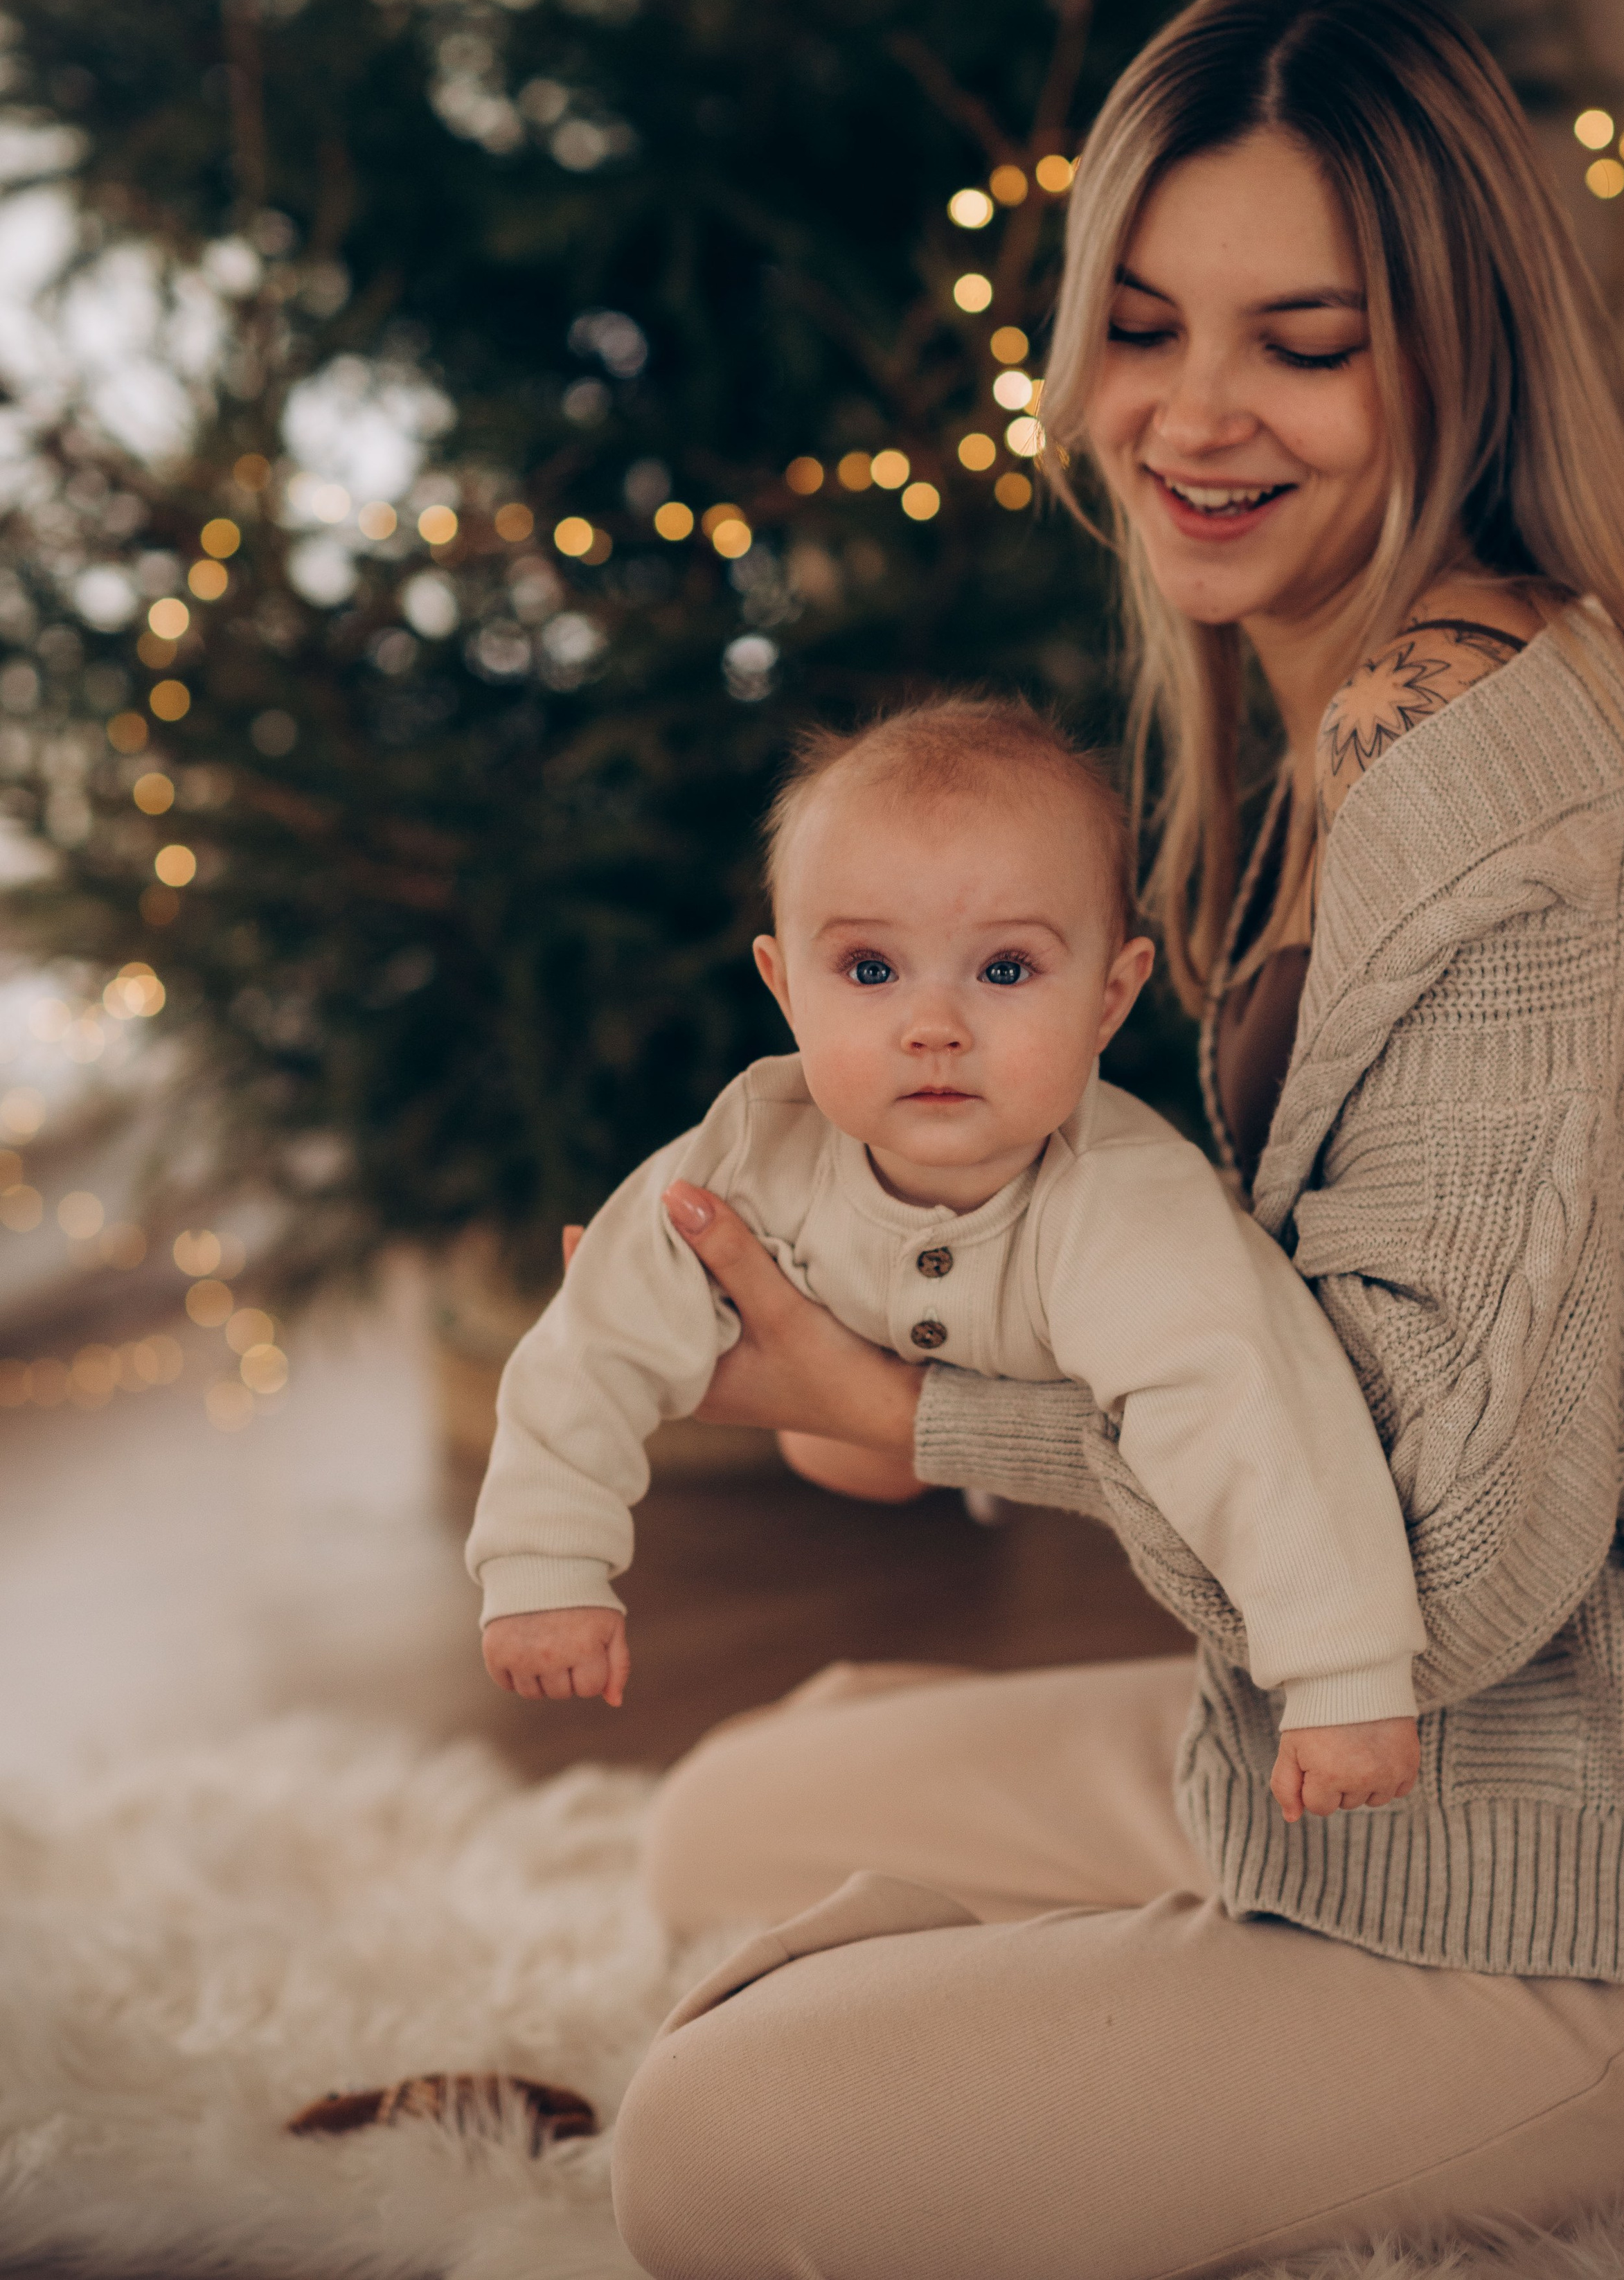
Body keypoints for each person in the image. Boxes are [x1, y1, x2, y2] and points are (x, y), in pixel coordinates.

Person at [609, 0, 1624, 2279]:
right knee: (719, 1827)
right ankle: (1017, 1987)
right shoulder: (1340, 705)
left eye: (1304, 342)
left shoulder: (1522, 834)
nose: (1193, 412)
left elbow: (1429, 1594)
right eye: (1139, 323)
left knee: (708, 2154)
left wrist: (939, 1417)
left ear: (1460, 361)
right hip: (1417, 1756)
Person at [469, 696, 1425, 1824]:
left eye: (1006, 972)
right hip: (877, 1433)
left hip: (1117, 1500)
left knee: (1219, 1407)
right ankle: (873, 1719)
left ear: (1110, 997)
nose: (934, 1025)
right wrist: (543, 1566)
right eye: (870, 970)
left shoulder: (1132, 1212)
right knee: (706, 1822)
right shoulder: (744, 1157)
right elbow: (590, 1347)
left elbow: (1264, 1419)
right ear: (783, 987)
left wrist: (1343, 1677)